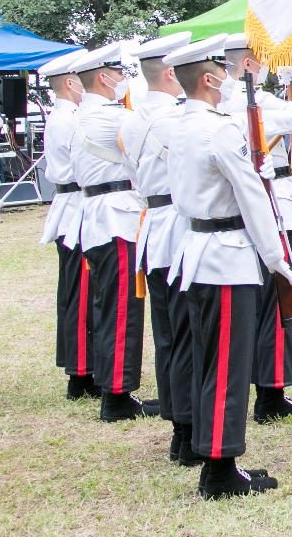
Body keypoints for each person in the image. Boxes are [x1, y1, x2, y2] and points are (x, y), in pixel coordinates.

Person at [163, 35, 289, 499]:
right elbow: (252, 196)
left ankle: (205, 449)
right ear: (211, 78)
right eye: (222, 71)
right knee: (228, 364)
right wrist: (277, 259)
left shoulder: (178, 125)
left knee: (204, 357)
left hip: (194, 249)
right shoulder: (217, 129)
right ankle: (219, 469)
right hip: (226, 256)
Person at [220, 35, 292, 422]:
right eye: (264, 57)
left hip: (239, 210)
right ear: (249, 64)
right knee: (281, 299)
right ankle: (272, 392)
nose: (268, 63)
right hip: (275, 204)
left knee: (252, 302)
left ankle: (260, 388)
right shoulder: (257, 103)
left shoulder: (217, 103)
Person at [117, 33, 201, 463]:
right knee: (188, 336)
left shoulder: (130, 119)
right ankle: (188, 431)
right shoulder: (177, 119)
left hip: (151, 229)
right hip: (178, 229)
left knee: (168, 337)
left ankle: (178, 427)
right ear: (171, 73)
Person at [68, 43, 156, 421]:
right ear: (104, 77)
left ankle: (112, 385)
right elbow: (150, 129)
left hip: (106, 215)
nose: (125, 81)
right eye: (120, 74)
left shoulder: (91, 114)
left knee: (111, 306)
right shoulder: (104, 117)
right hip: (114, 217)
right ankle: (118, 395)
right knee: (122, 309)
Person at [37, 50, 95, 401]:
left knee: (78, 292)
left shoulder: (63, 116)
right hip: (77, 207)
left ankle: (82, 370)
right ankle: (82, 373)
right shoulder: (70, 118)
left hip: (72, 205)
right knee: (83, 294)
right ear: (71, 83)